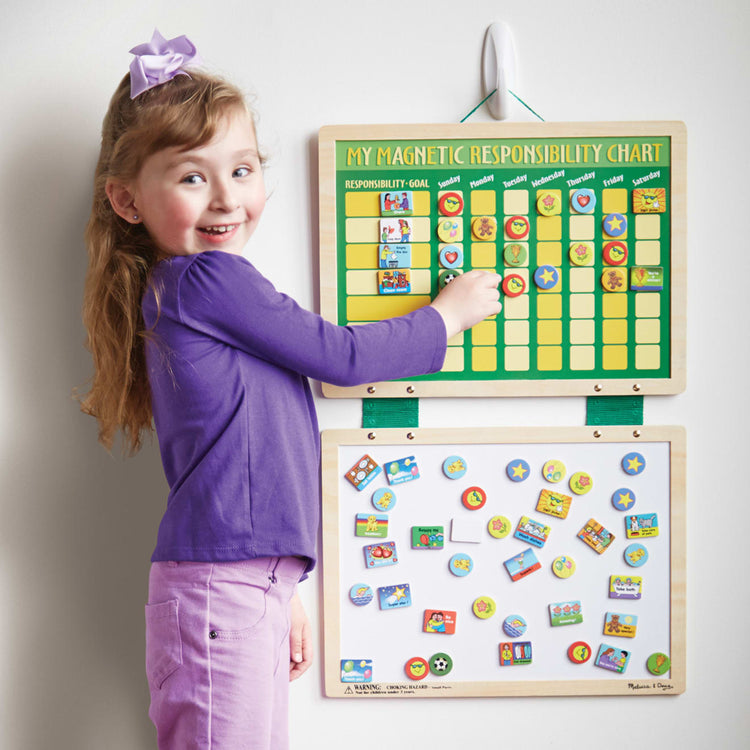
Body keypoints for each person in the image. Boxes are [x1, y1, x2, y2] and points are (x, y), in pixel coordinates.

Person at [79, 29, 501, 750]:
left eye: (243, 169)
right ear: (126, 199)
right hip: (222, 591)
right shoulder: (208, 280)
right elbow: (339, 354)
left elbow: (250, 454)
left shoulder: (191, 291)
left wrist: (282, 588)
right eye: (191, 177)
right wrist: (445, 317)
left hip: (240, 586)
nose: (226, 199)